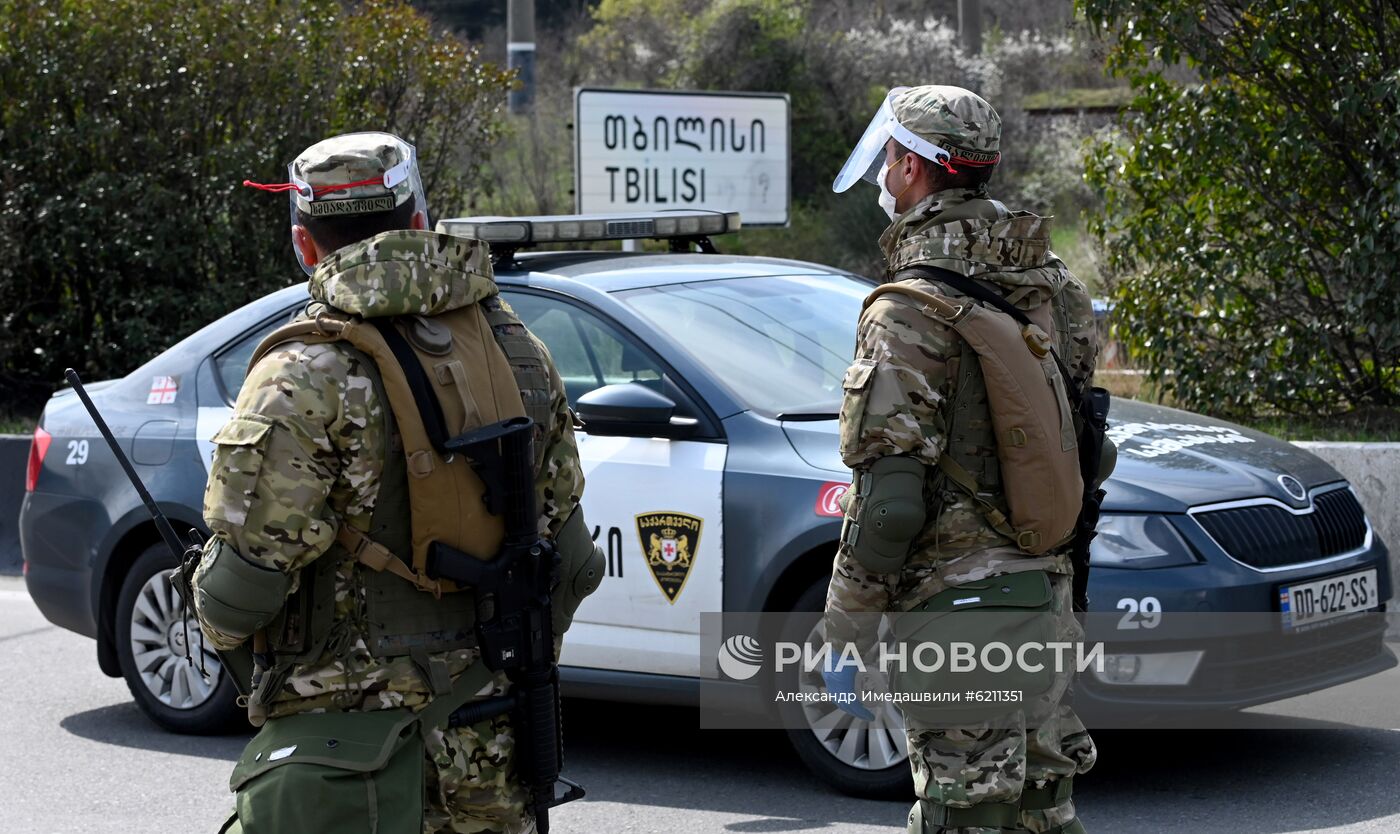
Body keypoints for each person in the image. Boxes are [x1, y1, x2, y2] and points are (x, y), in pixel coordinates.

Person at [192, 131, 602, 834]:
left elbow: (241, 595)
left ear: (305, 244)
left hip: (354, 772)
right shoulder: (517, 351)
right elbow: (573, 565)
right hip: (494, 750)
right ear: (418, 224)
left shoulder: (299, 377)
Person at [823, 86, 1104, 834]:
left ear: (912, 169)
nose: (884, 173)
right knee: (1044, 807)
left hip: (956, 619)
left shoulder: (906, 307)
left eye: (889, 157)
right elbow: (1086, 445)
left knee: (966, 814)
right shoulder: (1058, 287)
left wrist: (845, 624)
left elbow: (889, 501)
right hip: (1046, 601)